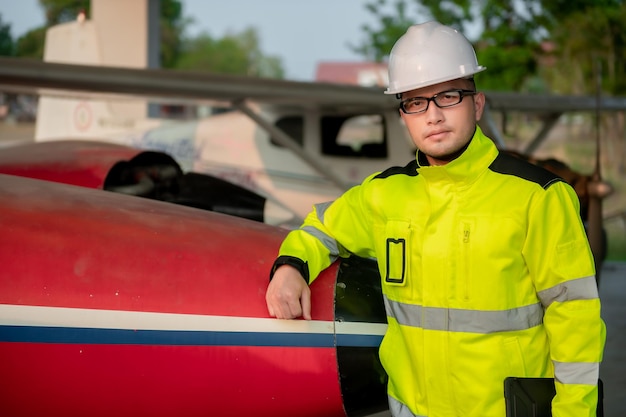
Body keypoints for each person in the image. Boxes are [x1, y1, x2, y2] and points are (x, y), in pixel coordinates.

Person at [266, 21, 605, 417]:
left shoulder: (538, 197)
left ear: (477, 104)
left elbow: (576, 322)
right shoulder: (384, 195)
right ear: (403, 116)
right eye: (416, 102)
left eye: (448, 96)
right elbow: (320, 227)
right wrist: (291, 265)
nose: (433, 115)